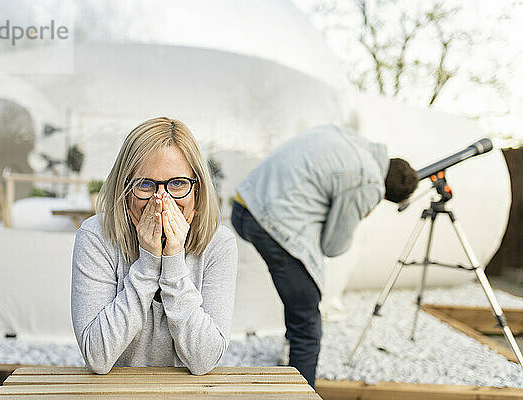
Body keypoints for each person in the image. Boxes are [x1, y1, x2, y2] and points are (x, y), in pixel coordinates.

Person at [230, 124, 418, 387]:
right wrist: (362, 212)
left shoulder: (348, 139)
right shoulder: (369, 182)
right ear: (385, 195)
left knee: (299, 291)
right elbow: (333, 246)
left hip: (244, 203)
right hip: (267, 222)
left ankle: (288, 356)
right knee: (307, 323)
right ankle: (300, 391)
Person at [71, 117, 238, 375]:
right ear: (125, 189)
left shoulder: (219, 243)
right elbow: (97, 356)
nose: (162, 199)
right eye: (146, 184)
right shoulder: (96, 236)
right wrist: (148, 262)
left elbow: (205, 359)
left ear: (198, 189)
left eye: (178, 183)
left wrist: (173, 261)